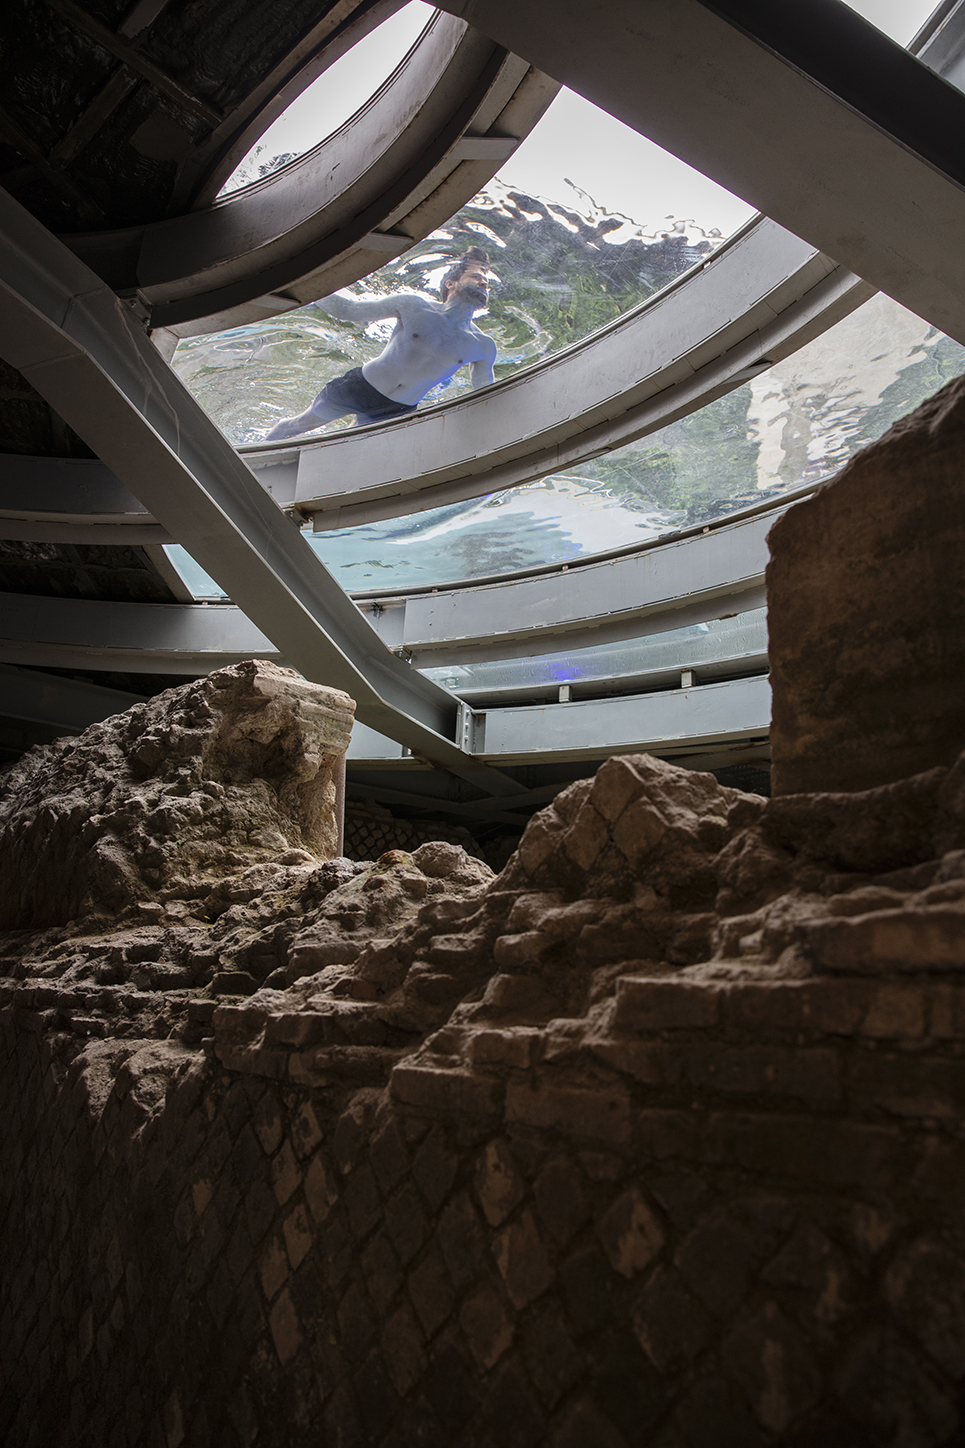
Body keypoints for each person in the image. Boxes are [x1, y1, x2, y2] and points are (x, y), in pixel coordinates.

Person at [264, 247, 497, 440]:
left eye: (485, 280)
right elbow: (349, 310)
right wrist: (303, 280)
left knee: (349, 448)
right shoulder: (414, 306)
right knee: (299, 425)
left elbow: (484, 393)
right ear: (451, 283)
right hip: (360, 387)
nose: (483, 282)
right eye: (476, 276)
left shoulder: (483, 345)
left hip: (397, 409)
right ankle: (253, 456)